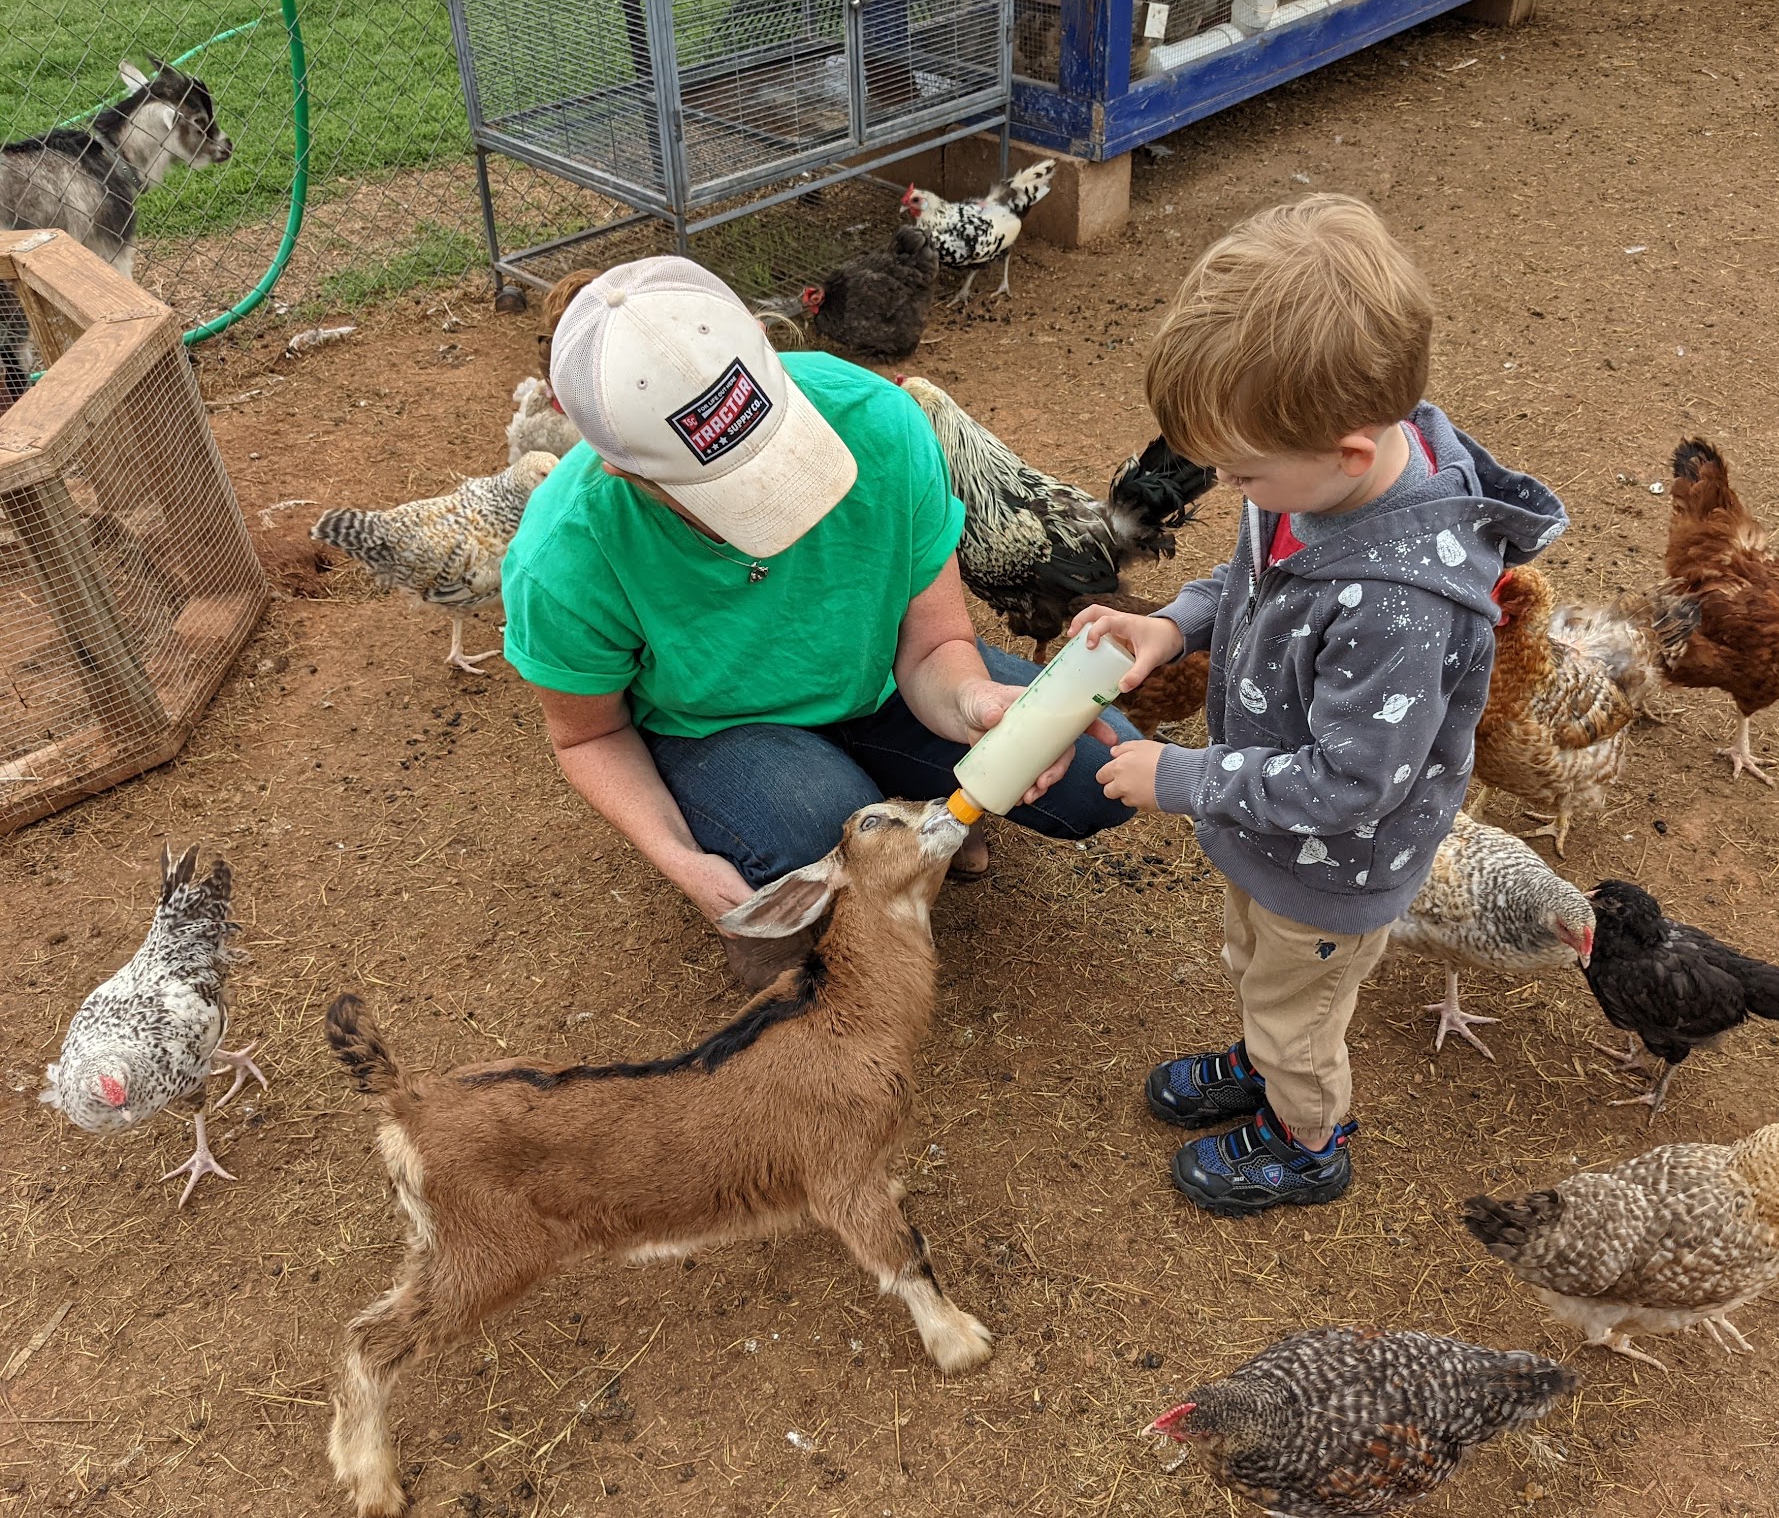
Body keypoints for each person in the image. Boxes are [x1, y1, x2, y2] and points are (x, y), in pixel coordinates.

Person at [1072, 195, 1569, 1215]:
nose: (1230, 486)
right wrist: (1175, 621)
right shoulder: (1310, 493)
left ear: (1345, 452)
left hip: (1331, 859)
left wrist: (1180, 776)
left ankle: (1306, 1136)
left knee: (1299, 1011)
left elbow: (1351, 781)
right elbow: (1250, 573)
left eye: (1243, 471)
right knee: (1257, 964)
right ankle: (1264, 1057)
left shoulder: (1397, 606)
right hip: (1269, 836)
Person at [500, 258, 1135, 987]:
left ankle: (901, 803)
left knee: (1095, 773)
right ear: (626, 473)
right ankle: (859, 804)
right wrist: (679, 859)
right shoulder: (566, 554)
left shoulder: (880, 420)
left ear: (772, 353)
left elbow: (933, 641)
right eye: (722, 491)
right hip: (717, 726)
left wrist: (972, 699)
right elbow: (590, 733)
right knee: (819, 830)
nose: (777, 505)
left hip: (881, 679)